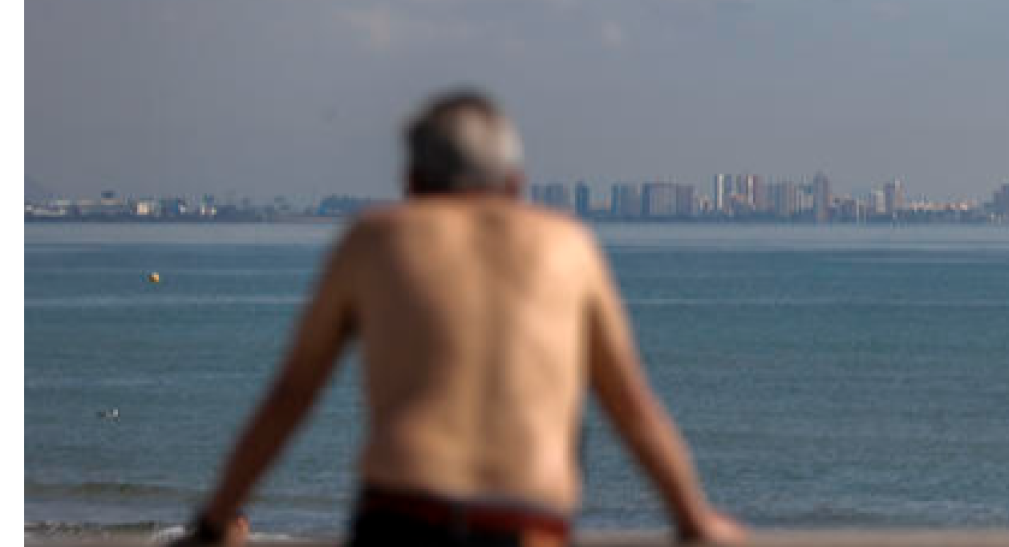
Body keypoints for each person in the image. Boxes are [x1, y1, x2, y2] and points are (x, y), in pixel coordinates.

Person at [176, 91, 747, 546]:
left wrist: (215, 519)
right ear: (515, 183)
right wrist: (693, 519)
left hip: (402, 516)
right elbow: (630, 403)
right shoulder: (567, 246)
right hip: (525, 522)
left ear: (413, 184)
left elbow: (291, 395)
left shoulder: (376, 239)